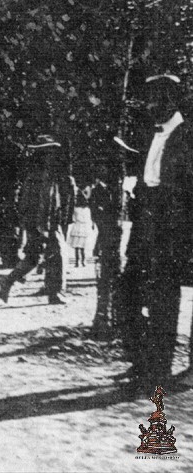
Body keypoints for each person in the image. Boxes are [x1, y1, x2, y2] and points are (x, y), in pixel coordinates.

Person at [120, 73, 193, 392]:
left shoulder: (188, 134)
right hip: (145, 223)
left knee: (164, 296)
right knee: (128, 290)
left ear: (172, 100)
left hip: (173, 228)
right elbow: (148, 176)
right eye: (148, 98)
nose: (150, 105)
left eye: (157, 98)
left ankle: (158, 368)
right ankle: (141, 360)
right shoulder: (152, 134)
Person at [0, 134, 73, 305]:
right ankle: (55, 294)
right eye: (50, 151)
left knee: (34, 257)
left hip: (43, 222)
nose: (53, 154)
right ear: (43, 153)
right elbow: (40, 202)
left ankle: (8, 281)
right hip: (42, 223)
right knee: (57, 255)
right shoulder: (40, 175)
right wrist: (42, 226)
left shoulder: (43, 173)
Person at [68, 190, 94, 268]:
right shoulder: (87, 209)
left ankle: (77, 262)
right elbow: (89, 219)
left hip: (77, 226)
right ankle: (83, 261)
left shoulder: (75, 209)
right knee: (83, 246)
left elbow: (73, 218)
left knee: (76, 246)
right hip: (84, 227)